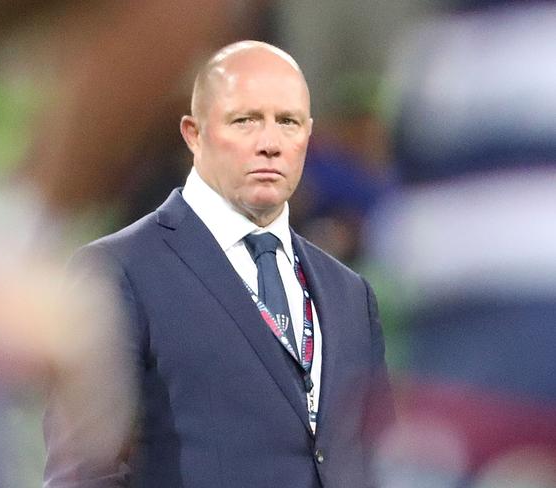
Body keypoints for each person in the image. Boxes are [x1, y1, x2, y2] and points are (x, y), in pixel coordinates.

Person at [44, 40, 393, 488]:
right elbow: (85, 472)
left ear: (308, 134)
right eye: (245, 120)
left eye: (287, 122)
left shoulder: (351, 293)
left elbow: (378, 461)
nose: (270, 143)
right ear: (194, 133)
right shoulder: (116, 271)